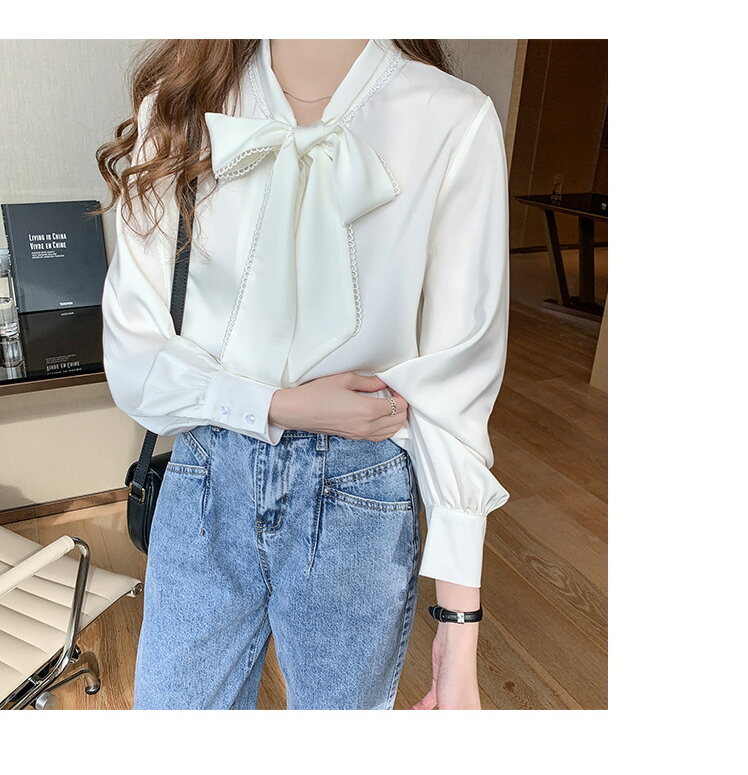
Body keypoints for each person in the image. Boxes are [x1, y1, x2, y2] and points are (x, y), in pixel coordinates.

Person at [97, 38, 510, 710]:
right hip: (207, 476)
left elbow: (455, 388)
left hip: (359, 494)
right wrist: (280, 405)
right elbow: (133, 353)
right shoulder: (181, 102)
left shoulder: (451, 120)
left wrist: (459, 632)